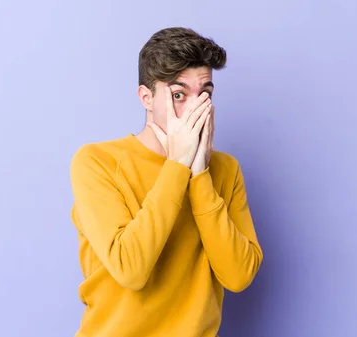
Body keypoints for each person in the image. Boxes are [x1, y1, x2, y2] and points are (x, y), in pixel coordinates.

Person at [69, 27, 263, 337]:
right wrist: (177, 166)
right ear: (147, 98)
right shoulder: (97, 162)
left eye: (205, 94)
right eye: (178, 95)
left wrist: (198, 175)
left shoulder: (225, 169)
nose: (195, 107)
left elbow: (238, 275)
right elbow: (130, 269)